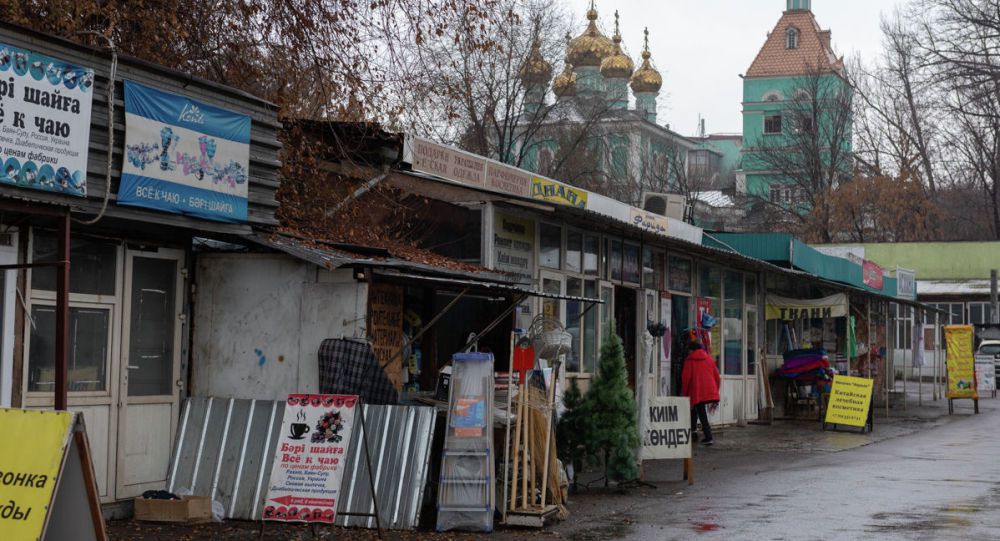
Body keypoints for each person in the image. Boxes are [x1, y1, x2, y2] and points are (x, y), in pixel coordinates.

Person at [681, 338, 721, 445]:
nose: (688, 352)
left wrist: (684, 394)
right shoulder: (709, 359)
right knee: (695, 409)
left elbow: (686, 378)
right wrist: (716, 391)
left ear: (692, 350)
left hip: (697, 391)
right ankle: (693, 430)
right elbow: (717, 377)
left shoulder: (689, 360)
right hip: (709, 390)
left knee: (701, 411)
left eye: (689, 350)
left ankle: (708, 437)